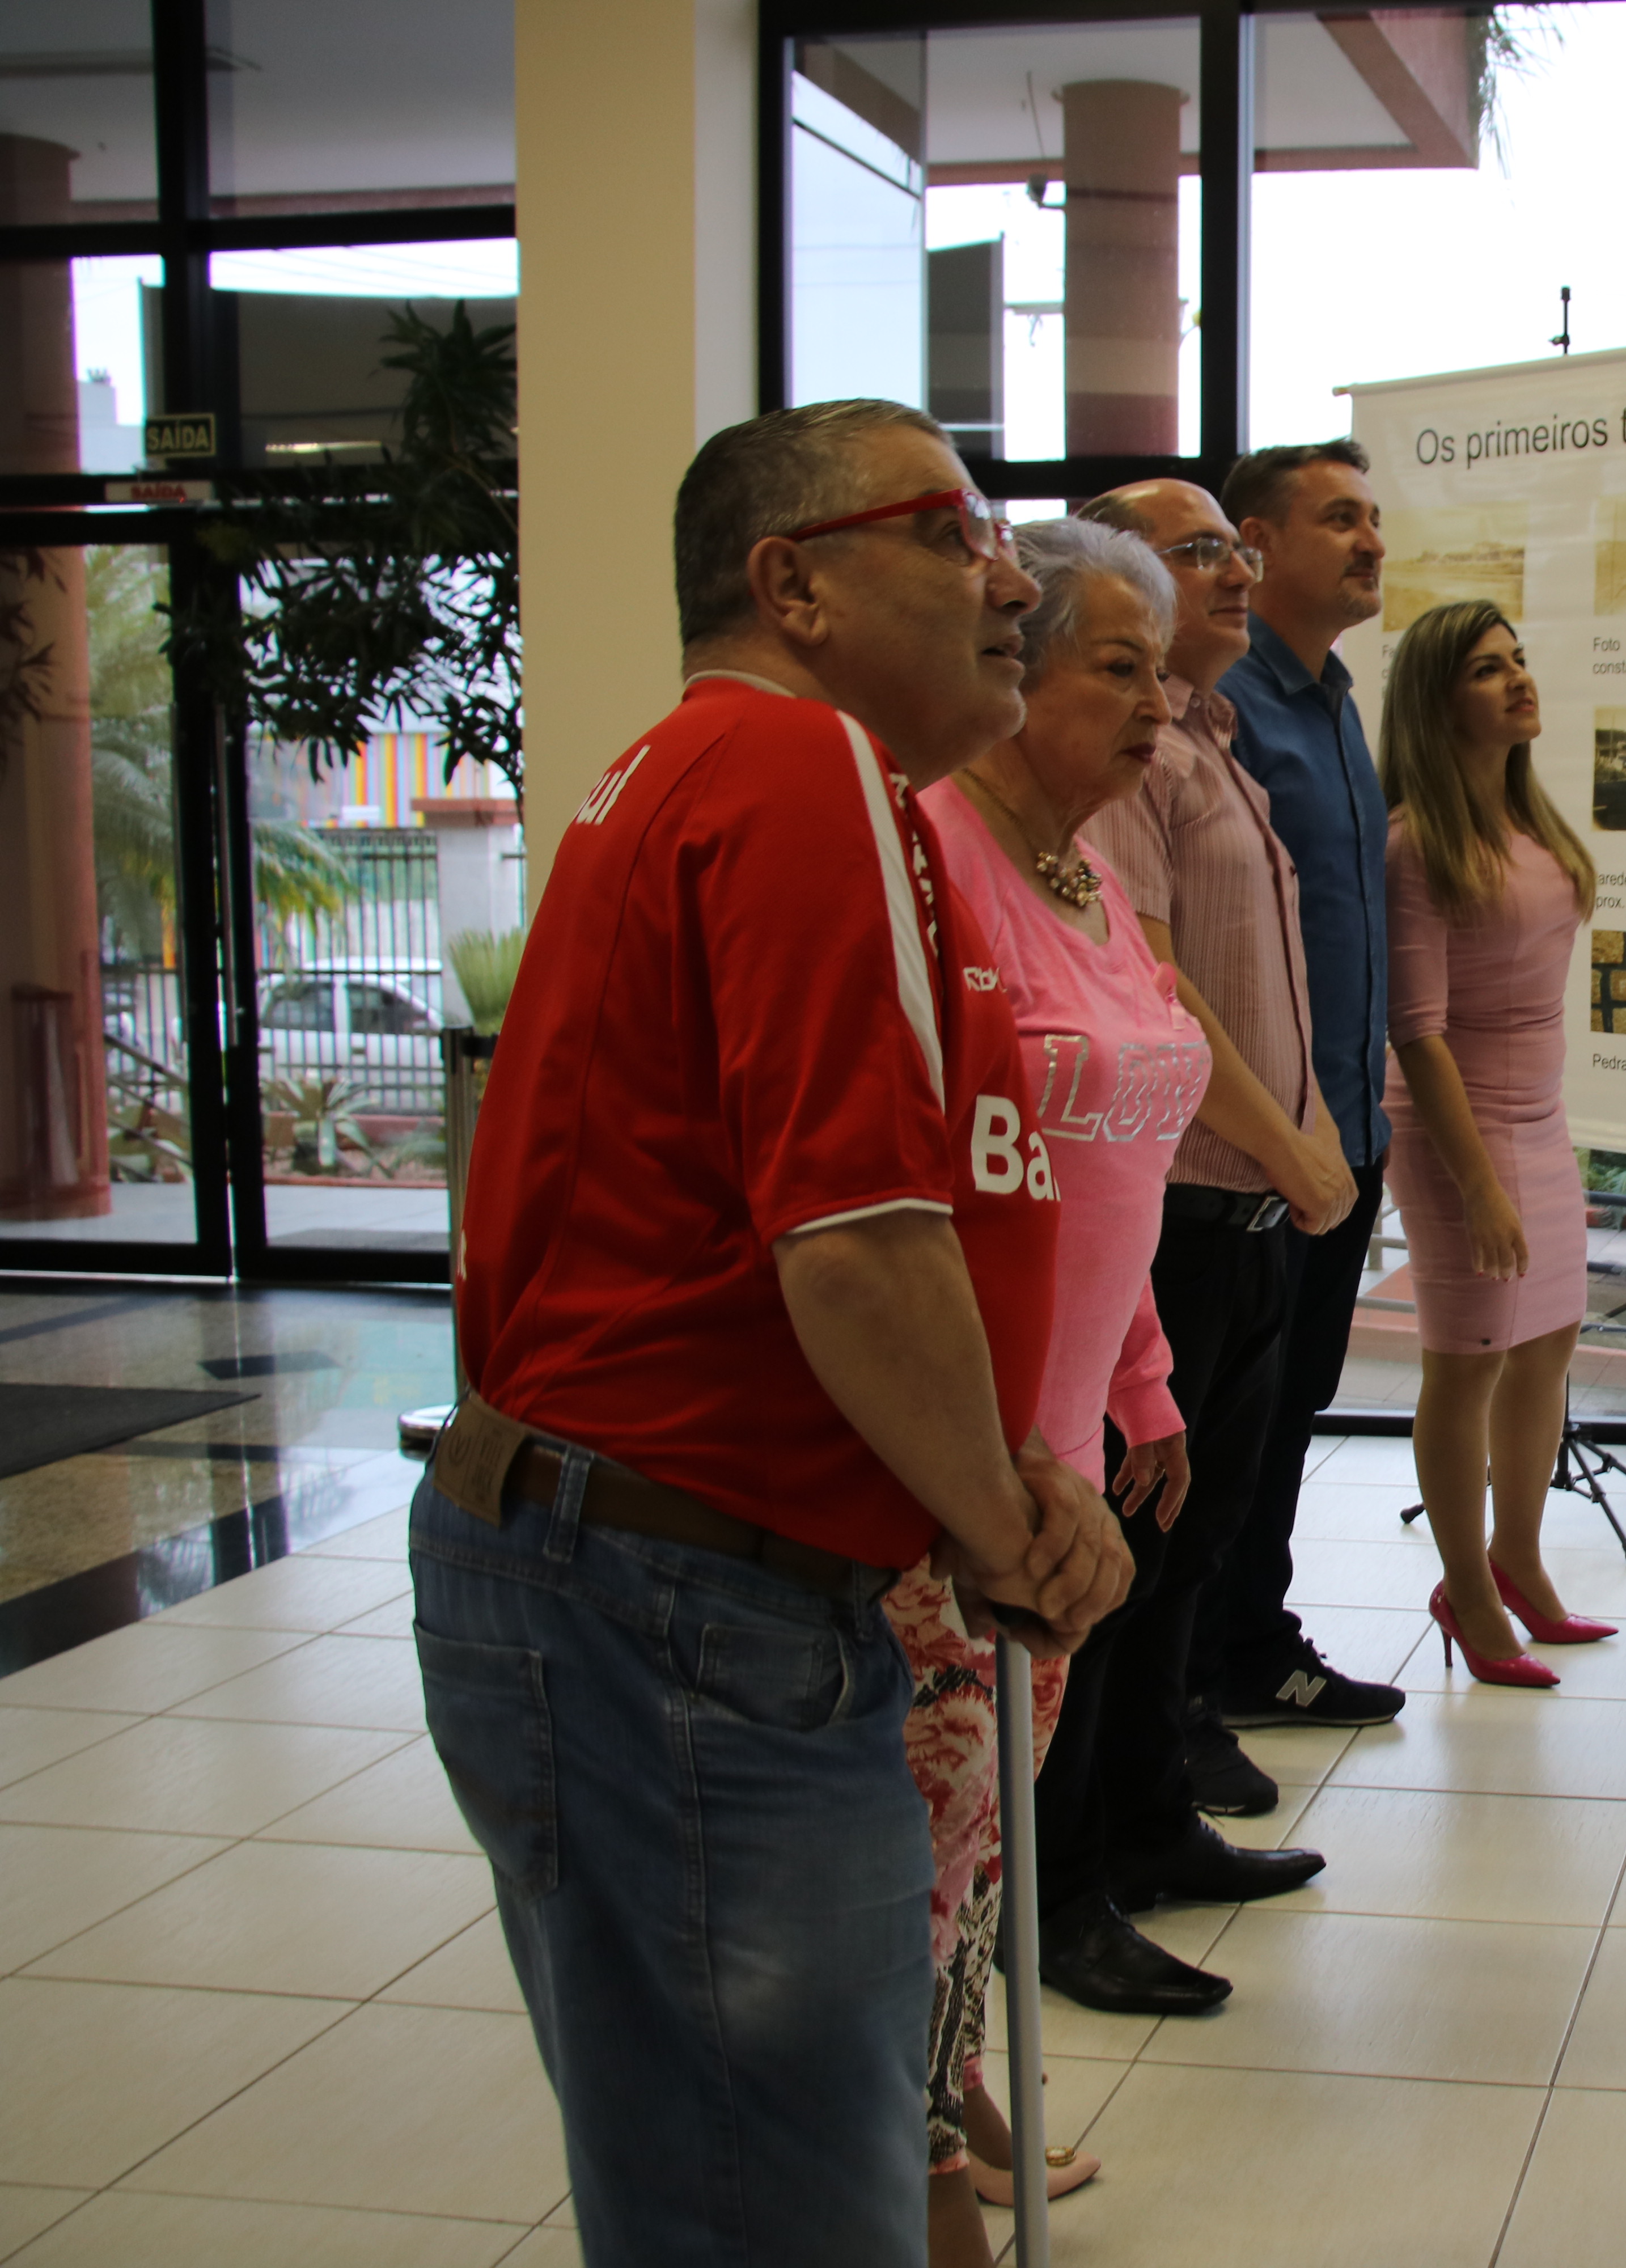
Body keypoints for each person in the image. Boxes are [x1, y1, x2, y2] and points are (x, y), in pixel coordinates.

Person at [416, 399, 1133, 2266]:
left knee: (716, 2186)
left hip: (625, 1574)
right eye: (952, 530)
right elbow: (855, 1239)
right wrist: (1007, 1526)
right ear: (789, 581)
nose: (1009, 579)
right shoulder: (800, 772)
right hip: (684, 1607)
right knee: (777, 2213)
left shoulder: (693, 773)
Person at [888, 518, 1208, 2266]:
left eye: (1163, 670)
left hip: (1068, 1458)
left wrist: (1142, 1383)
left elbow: (1121, 1151)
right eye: (1122, 665)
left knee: (990, 1829)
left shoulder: (1091, 877)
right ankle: (927, 2174)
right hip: (954, 1470)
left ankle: (954, 2102)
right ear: (1015, 675)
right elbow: (914, 1196)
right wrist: (1001, 1456)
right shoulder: (928, 859)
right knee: (932, 1850)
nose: (1163, 703)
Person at [1020, 479, 1342, 2022]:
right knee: (1119, 1576)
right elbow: (1159, 1005)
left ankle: (1144, 1820)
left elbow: (1258, 976)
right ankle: (1069, 1878)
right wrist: (1282, 1146)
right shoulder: (1060, 814)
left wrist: (1311, 1132)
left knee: (1181, 1557)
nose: (1235, 571)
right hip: (1183, 1212)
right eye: (1197, 555)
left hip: (1225, 1217)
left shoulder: (1208, 741)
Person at [1198, 439, 1411, 1733]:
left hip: (1345, 1129)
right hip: (1257, 1143)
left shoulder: (1333, 700)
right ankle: (1200, 1675)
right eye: (1342, 518)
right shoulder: (1223, 706)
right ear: (1256, 543)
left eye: (1375, 518)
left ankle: (1249, 1642)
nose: (1372, 541)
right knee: (1236, 1429)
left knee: (1289, 1413)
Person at [1380, 600, 1615, 1687]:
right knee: (1466, 1365)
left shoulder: (1532, 824)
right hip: (1453, 1128)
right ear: (1439, 703)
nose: (1520, 680)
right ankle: (1467, 1592)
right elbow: (1416, 1030)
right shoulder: (1416, 842)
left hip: (1542, 1116)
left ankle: (1520, 1558)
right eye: (1488, 669)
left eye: (1521, 659)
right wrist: (1478, 1185)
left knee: (1549, 1343)